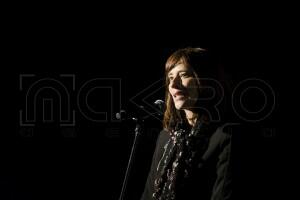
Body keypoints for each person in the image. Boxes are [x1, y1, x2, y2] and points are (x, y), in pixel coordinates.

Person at [140, 47, 233, 200]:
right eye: (170, 78)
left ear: (206, 80)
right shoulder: (165, 137)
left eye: (183, 75)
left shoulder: (226, 136)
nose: (173, 85)